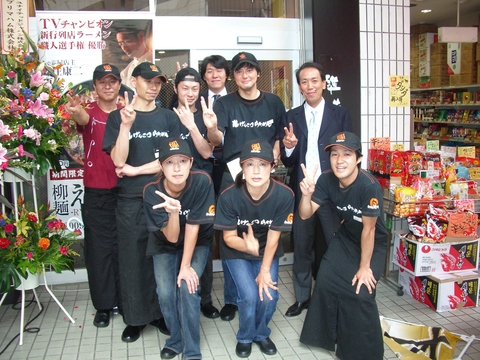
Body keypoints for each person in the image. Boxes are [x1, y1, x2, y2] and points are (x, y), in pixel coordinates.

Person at [102, 62, 179, 343]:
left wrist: (137, 170)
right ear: (134, 81)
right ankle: (135, 318)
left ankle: (161, 315)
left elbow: (172, 161)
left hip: (162, 197)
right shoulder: (118, 117)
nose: (153, 86)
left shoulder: (169, 118)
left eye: (158, 82)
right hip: (130, 200)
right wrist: (125, 126)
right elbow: (119, 160)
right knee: (132, 260)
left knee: (162, 258)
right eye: (148, 80)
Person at [207, 52, 286, 322]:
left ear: (257, 73)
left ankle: (260, 283)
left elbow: (278, 137)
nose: (245, 75)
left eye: (249, 70)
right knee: (231, 238)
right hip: (233, 176)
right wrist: (211, 128)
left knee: (262, 232)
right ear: (234, 76)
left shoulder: (274, 102)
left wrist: (276, 154)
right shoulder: (226, 103)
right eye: (239, 71)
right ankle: (233, 298)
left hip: (264, 176)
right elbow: (217, 138)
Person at [298, 131, 387, 360]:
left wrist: (364, 267)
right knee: (325, 279)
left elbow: (369, 230)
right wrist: (306, 195)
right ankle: (329, 336)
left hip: (372, 242)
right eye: (334, 154)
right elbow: (306, 214)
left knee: (361, 291)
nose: (339, 160)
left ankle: (366, 352)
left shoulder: (369, 186)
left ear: (358, 158)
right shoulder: (327, 180)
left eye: (347, 154)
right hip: (347, 237)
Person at [280, 62, 352, 317]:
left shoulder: (340, 114)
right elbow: (288, 161)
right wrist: (288, 147)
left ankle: (327, 295)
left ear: (323, 83)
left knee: (331, 244)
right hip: (303, 190)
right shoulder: (291, 116)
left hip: (331, 190)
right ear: (299, 86)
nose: (309, 86)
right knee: (302, 244)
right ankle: (302, 298)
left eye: (314, 80)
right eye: (303, 82)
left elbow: (348, 153)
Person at [214, 139, 294, 358]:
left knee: (268, 295)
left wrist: (264, 269)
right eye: (250, 164)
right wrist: (246, 246)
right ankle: (245, 336)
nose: (256, 170)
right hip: (236, 249)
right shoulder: (229, 195)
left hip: (267, 248)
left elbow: (274, 236)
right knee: (249, 295)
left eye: (263, 164)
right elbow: (229, 238)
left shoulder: (284, 195)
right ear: (242, 167)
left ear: (272, 166)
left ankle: (260, 333)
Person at [143, 138, 215, 360]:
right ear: (161, 165)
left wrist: (185, 266)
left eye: (182, 161)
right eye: (170, 162)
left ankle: (192, 350)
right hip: (165, 241)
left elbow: (194, 225)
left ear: (191, 162)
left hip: (198, 239)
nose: (176, 168)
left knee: (187, 286)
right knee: (165, 293)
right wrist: (173, 212)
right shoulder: (151, 191)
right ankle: (176, 340)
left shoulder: (202, 181)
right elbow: (172, 237)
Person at [64, 64, 122, 328]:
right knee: (99, 251)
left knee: (125, 248)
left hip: (126, 191)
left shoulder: (127, 113)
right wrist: (75, 113)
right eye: (102, 82)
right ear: (95, 87)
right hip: (97, 191)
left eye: (112, 81)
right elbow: (82, 121)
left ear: (119, 85)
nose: (107, 86)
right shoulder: (87, 112)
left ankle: (124, 299)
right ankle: (103, 305)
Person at [171, 67, 222, 320]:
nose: (190, 93)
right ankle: (178, 295)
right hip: (173, 189)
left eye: (194, 89)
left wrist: (193, 126)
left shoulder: (206, 116)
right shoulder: (166, 117)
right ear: (175, 89)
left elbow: (206, 152)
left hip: (202, 190)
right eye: (185, 88)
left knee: (204, 241)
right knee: (174, 242)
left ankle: (205, 299)